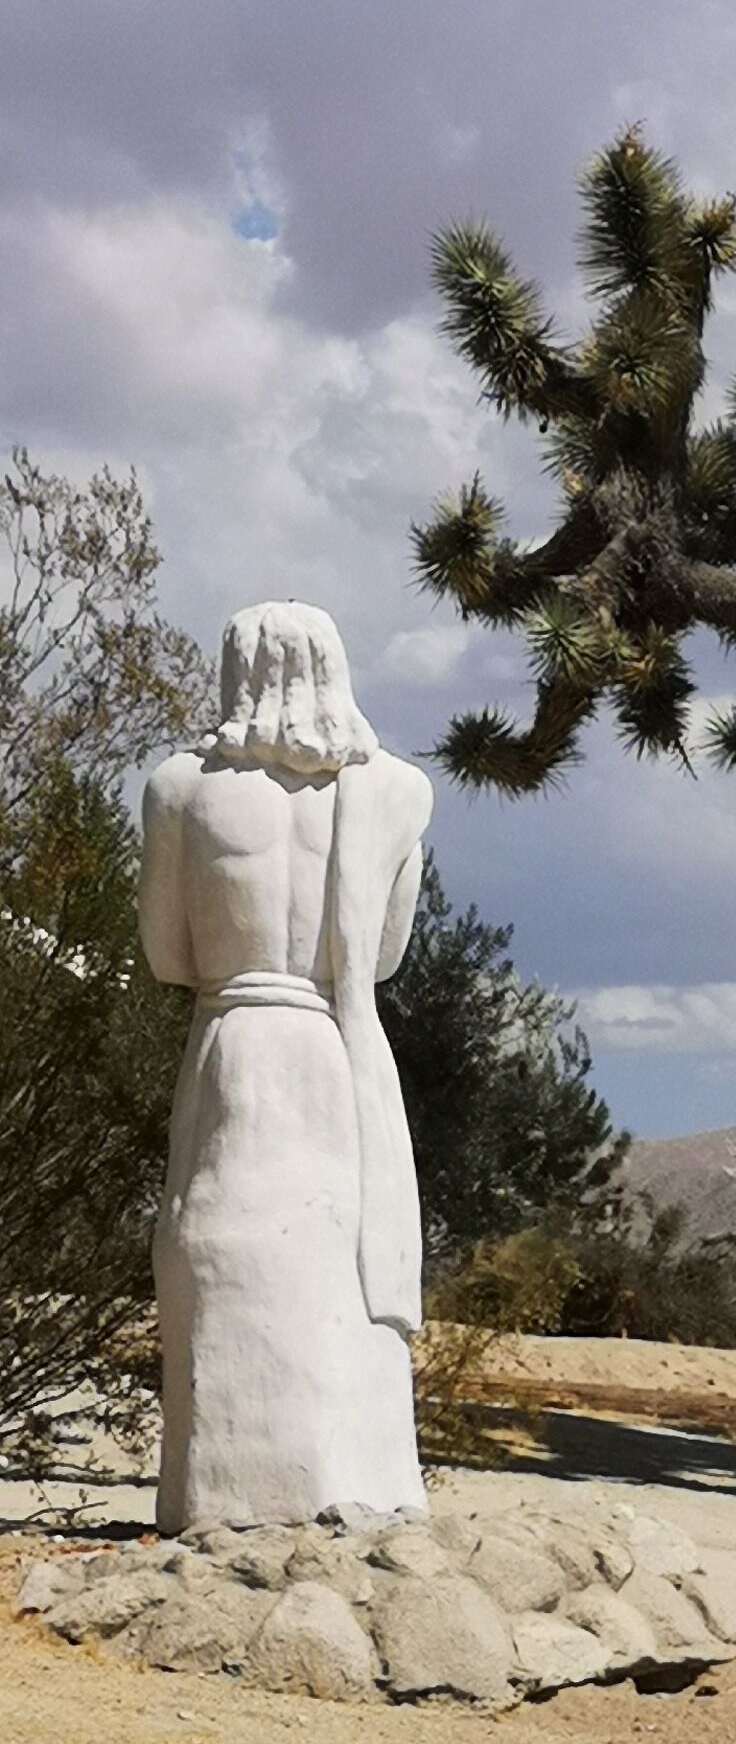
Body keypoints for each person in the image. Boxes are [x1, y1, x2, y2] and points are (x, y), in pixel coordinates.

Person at [139, 605, 432, 1531]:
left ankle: (228, 1496)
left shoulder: (181, 788)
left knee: (220, 1253)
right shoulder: (397, 792)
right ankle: (347, 1478)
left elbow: (167, 956)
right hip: (336, 1052)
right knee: (332, 1273)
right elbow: (382, 958)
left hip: (238, 1043)